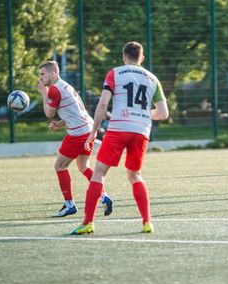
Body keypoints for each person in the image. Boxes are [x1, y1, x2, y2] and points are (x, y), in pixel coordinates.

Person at [69, 41, 169, 235]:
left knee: (99, 172)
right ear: (142, 58)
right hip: (141, 130)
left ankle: (88, 223)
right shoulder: (153, 79)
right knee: (135, 175)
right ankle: (147, 222)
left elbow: (103, 103)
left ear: (124, 57)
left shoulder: (115, 73)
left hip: (119, 128)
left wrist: (94, 131)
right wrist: (142, 114)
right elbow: (163, 113)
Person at [37, 61, 113, 217]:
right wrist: (60, 124)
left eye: (43, 74)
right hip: (88, 129)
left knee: (60, 166)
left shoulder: (54, 89)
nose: (40, 78)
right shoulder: (66, 85)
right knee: (83, 166)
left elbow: (49, 113)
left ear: (53, 73)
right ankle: (104, 197)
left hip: (78, 134)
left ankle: (69, 205)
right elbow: (76, 110)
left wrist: (44, 93)